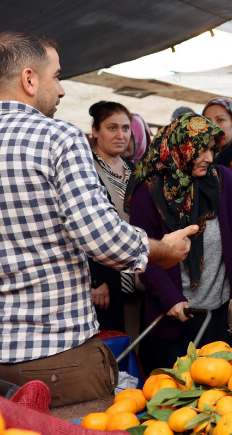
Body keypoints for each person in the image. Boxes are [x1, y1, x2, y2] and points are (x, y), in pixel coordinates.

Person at [0, 31, 196, 408]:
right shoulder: (58, 138)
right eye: (56, 77)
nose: (61, 90)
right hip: (59, 361)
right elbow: (101, 237)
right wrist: (163, 250)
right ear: (29, 80)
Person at [127, 113, 232, 373]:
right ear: (180, 148)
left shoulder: (224, 181)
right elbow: (143, 252)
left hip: (219, 316)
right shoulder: (148, 192)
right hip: (173, 315)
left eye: (212, 149)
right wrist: (169, 297)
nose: (209, 157)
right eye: (200, 150)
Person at [86, 100, 135, 334]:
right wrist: (95, 280)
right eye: (112, 127)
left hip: (136, 273)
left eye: (125, 128)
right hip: (104, 275)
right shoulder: (86, 169)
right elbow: (82, 226)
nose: (120, 135)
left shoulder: (134, 169)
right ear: (95, 131)